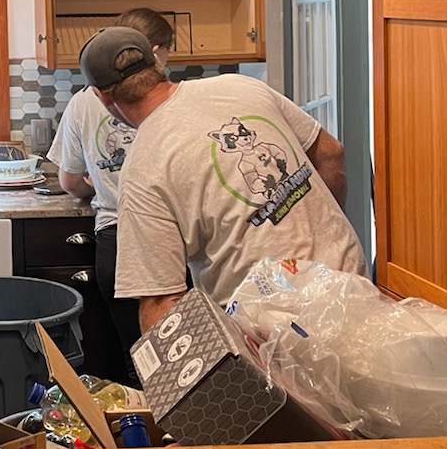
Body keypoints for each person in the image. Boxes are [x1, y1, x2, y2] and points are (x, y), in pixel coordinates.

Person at [77, 25, 364, 333]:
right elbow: (331, 152)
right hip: (348, 281)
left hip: (273, 329)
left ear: (102, 97)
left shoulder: (142, 169)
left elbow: (163, 302)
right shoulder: (241, 87)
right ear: (157, 64)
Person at [46, 8, 174, 379]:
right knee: (183, 356)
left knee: (137, 358)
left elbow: (69, 181)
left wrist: (101, 182)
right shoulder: (170, 97)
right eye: (166, 52)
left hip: (115, 238)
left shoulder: (83, 101)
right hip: (169, 238)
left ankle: (141, 431)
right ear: (151, 52)